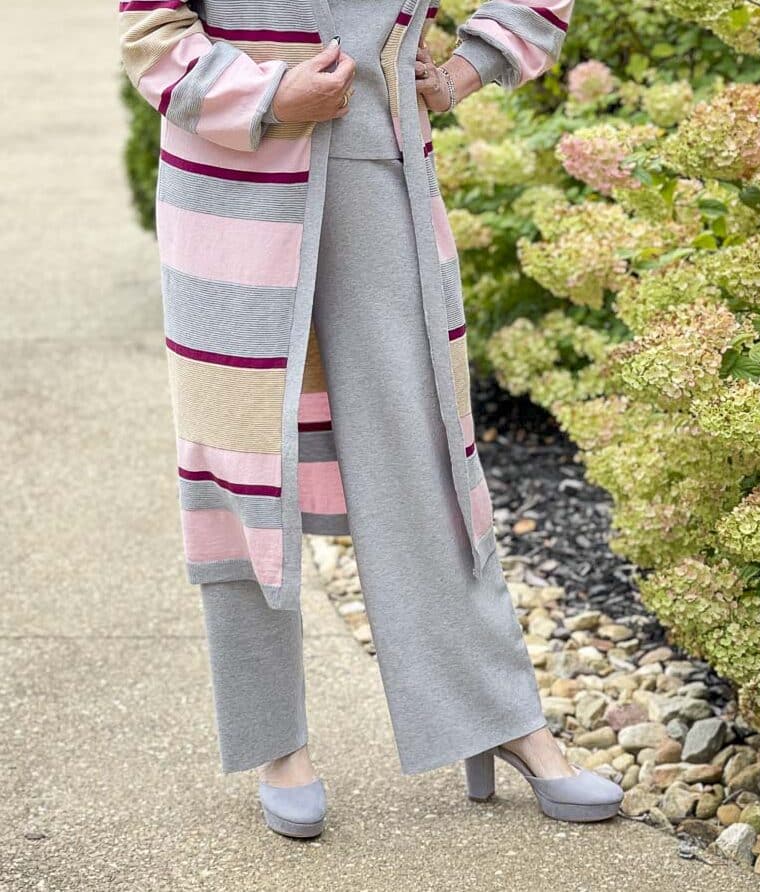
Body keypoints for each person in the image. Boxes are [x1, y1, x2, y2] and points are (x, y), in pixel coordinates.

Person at [118, 0, 623, 839]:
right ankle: (277, 743)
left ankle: (498, 717)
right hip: (230, 184)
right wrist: (271, 95)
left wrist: (467, 68)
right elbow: (152, 34)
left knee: (425, 449)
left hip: (382, 160)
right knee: (241, 457)